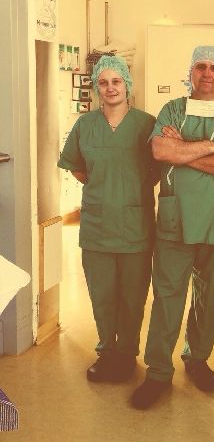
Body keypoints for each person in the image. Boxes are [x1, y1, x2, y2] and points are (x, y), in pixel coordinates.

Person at [131, 46, 214, 409]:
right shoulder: (172, 109)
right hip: (176, 220)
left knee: (207, 297)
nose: (207, 73)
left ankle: (197, 358)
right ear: (191, 72)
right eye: (200, 66)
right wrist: (211, 147)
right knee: (167, 296)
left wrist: (183, 147)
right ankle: (158, 372)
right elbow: (160, 151)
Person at [57, 55, 158, 383]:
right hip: (97, 226)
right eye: (103, 82)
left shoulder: (147, 124)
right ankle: (107, 352)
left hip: (135, 226)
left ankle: (126, 353)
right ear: (96, 87)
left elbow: (157, 169)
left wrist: (128, 190)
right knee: (102, 295)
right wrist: (104, 187)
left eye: (116, 81)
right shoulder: (85, 126)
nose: (110, 88)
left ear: (127, 85)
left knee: (132, 296)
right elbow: (76, 166)